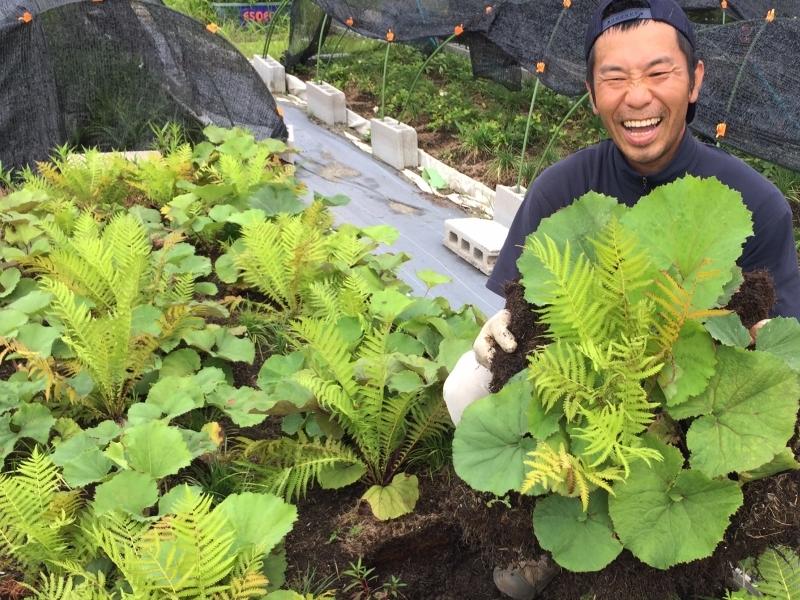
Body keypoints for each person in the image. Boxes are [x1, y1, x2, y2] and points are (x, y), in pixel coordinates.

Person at [445, 0, 800, 596]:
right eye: (615, 77)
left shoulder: (752, 201)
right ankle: (553, 521)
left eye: (659, 73)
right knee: (465, 383)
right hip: (588, 392)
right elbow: (522, 303)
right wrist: (498, 331)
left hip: (687, 396)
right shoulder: (562, 187)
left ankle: (725, 546)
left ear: (695, 82)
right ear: (591, 92)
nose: (637, 96)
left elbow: (778, 336)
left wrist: (754, 345)